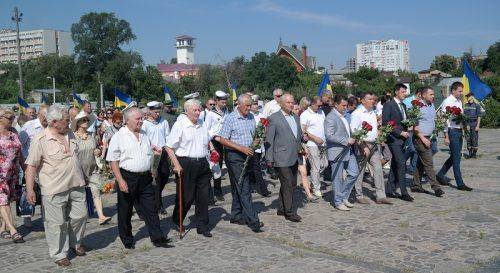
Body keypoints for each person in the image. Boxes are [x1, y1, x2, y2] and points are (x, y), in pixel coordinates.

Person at [25, 105, 87, 266]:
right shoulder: (40, 140)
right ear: (54, 122)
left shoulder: (70, 133)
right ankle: (59, 254)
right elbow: (31, 166)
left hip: (76, 183)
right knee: (56, 224)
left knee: (81, 216)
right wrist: (30, 189)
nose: (69, 123)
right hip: (54, 188)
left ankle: (75, 243)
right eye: (66, 121)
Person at [106, 107, 173, 249]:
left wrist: (153, 150)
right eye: (138, 119)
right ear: (127, 120)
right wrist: (120, 180)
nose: (141, 121)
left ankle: (158, 237)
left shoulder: (143, 133)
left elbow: (147, 150)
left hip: (145, 178)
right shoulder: (119, 136)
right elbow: (113, 161)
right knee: (126, 210)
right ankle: (127, 238)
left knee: (151, 208)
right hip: (127, 177)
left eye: (142, 118)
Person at [166, 99, 214, 238]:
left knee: (203, 196)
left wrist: (213, 150)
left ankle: (202, 225)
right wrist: (176, 165)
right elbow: (169, 147)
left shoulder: (201, 123)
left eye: (199, 110)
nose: (198, 113)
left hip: (202, 163)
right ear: (187, 111)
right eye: (195, 110)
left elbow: (207, 140)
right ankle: (177, 220)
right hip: (185, 163)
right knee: (186, 197)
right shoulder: (180, 124)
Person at [216, 94, 263, 232]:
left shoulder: (250, 117)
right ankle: (253, 220)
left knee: (239, 185)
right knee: (244, 186)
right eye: (247, 106)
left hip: (248, 154)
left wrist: (256, 141)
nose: (249, 108)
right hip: (234, 155)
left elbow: (252, 135)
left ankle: (236, 215)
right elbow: (221, 139)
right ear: (239, 105)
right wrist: (240, 148)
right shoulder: (230, 118)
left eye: (250, 105)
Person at [265, 93, 303, 222]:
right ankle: (290, 212)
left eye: (292, 102)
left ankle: (281, 208)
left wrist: (303, 140)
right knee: (287, 183)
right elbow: (269, 140)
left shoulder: (296, 117)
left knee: (291, 184)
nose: (291, 104)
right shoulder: (274, 118)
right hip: (280, 156)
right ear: (281, 103)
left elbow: (298, 136)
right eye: (288, 102)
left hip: (294, 155)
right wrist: (269, 159)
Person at [351, 92, 393, 205]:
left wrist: (380, 136)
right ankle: (359, 195)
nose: (372, 101)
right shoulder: (357, 113)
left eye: (373, 99)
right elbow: (354, 132)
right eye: (369, 99)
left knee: (378, 169)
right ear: (362, 100)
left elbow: (375, 128)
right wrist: (363, 146)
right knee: (360, 171)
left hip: (374, 144)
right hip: (362, 145)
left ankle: (381, 196)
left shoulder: (372, 112)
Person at [72, 112, 112, 225]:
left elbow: (97, 148)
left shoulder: (92, 135)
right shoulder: (72, 137)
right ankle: (82, 216)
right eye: (84, 120)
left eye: (87, 120)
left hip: (92, 168)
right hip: (78, 170)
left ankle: (101, 216)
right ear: (78, 123)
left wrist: (98, 151)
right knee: (80, 195)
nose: (86, 122)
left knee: (96, 191)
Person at [325, 94, 360, 211]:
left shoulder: (344, 116)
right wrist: (346, 140)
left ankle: (343, 196)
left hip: (348, 150)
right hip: (337, 152)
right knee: (338, 178)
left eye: (346, 105)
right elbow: (329, 136)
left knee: (355, 172)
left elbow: (347, 132)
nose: (345, 107)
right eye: (343, 105)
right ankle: (338, 201)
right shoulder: (330, 117)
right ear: (336, 105)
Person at [436, 82, 473, 191]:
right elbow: (444, 120)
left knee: (455, 156)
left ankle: (440, 174)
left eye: (462, 91)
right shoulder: (447, 102)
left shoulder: (459, 101)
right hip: (451, 131)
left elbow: (461, 117)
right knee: (457, 158)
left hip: (459, 130)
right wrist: (446, 135)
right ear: (453, 90)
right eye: (460, 91)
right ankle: (460, 183)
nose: (461, 93)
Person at [410, 87, 445, 197]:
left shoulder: (432, 105)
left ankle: (416, 185)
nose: (433, 96)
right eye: (430, 94)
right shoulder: (417, 107)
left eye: (433, 94)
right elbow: (413, 126)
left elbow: (432, 121)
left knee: (421, 162)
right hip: (420, 139)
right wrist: (423, 138)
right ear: (423, 95)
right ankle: (436, 187)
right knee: (428, 163)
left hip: (431, 138)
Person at [18, 105, 48, 228]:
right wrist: (23, 164)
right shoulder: (29, 127)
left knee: (45, 192)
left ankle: (46, 218)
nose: (48, 119)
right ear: (39, 115)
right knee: (28, 190)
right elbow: (20, 145)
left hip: (46, 165)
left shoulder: (51, 126)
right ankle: (27, 216)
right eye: (45, 116)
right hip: (29, 164)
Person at [382, 83, 414, 202]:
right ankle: (403, 192)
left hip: (403, 140)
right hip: (394, 139)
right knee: (401, 163)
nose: (405, 94)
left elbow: (402, 121)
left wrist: (408, 125)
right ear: (396, 92)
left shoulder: (404, 106)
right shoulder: (389, 105)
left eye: (405, 92)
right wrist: (399, 133)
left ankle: (389, 189)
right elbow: (386, 123)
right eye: (402, 92)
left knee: (396, 163)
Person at [0, 107, 25, 243]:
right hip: (0, 174)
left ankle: (2, 227)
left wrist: (25, 168)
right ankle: (13, 229)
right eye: (10, 118)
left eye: (13, 118)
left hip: (12, 173)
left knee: (7, 201)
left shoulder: (13, 132)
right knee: (2, 200)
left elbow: (19, 152)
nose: (13, 120)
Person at [142, 101, 171, 215]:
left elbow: (167, 135)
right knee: (156, 179)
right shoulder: (145, 124)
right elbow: (144, 139)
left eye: (159, 112)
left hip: (163, 152)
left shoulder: (163, 121)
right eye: (155, 112)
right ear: (149, 111)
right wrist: (151, 147)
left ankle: (156, 196)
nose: (157, 114)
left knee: (165, 175)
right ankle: (158, 205)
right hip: (152, 154)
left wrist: (168, 149)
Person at [300, 96, 328, 197]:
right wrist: (314, 138)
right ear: (312, 104)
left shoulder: (321, 112)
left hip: (323, 143)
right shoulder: (305, 114)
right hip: (312, 144)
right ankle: (316, 188)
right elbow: (303, 130)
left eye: (321, 105)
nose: (320, 107)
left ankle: (313, 180)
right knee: (316, 167)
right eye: (318, 105)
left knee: (324, 164)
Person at [204, 91, 229, 202]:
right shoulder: (211, 114)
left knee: (221, 166)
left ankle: (218, 190)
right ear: (217, 101)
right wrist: (211, 142)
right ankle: (213, 192)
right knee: (215, 166)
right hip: (214, 142)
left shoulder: (227, 111)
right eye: (222, 102)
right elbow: (206, 129)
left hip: (225, 140)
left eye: (225, 101)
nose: (224, 104)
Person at [294, 100, 318, 202]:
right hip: (289, 151)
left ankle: (309, 194)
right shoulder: (287, 120)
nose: (297, 110)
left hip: (299, 149)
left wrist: (305, 143)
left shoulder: (298, 120)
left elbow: (302, 137)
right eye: (295, 109)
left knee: (303, 172)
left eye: (298, 109)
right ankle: (289, 193)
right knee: (291, 175)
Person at [249, 95, 271, 197]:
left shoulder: (261, 115)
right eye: (254, 104)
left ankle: (251, 184)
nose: (256, 106)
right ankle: (263, 190)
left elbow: (266, 128)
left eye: (256, 104)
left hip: (260, 145)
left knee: (254, 167)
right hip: (250, 145)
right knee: (256, 168)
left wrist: (264, 134)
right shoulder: (248, 116)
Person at [464, 93, 482, 158]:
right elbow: (464, 116)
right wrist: (465, 126)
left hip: (474, 124)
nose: (467, 98)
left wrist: (478, 126)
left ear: (472, 97)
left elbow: (479, 116)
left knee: (474, 139)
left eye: (468, 96)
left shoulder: (477, 105)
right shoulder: (465, 105)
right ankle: (469, 153)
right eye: (467, 96)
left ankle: (474, 154)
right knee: (468, 139)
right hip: (467, 124)